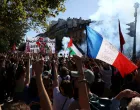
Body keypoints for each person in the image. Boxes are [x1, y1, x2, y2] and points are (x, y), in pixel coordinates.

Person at [69, 55, 140, 110]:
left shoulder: (78, 104)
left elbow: (85, 107)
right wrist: (121, 94)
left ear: (83, 82)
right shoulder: (94, 97)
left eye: (76, 78)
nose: (73, 79)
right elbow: (110, 106)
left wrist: (81, 73)